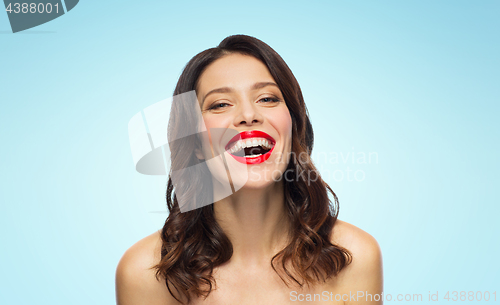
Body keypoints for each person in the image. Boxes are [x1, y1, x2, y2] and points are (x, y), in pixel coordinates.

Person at [116, 34, 383, 305]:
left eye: (267, 98)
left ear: (294, 126)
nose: (248, 115)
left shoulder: (355, 257)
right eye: (220, 104)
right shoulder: (143, 273)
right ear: (194, 142)